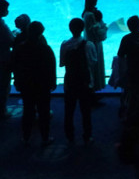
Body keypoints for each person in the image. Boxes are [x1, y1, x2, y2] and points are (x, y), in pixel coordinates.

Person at [12, 20, 56, 146]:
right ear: (41, 33)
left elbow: (15, 66)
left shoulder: (20, 48)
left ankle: (26, 137)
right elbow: (51, 67)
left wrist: (17, 81)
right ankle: (45, 137)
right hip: (43, 85)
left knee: (27, 110)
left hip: (26, 84)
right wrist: (52, 82)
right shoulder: (45, 49)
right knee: (44, 111)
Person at [61, 17, 97, 145]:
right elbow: (93, 62)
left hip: (70, 82)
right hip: (85, 82)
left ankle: (69, 136)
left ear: (70, 29)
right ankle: (87, 136)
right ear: (83, 29)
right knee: (86, 111)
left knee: (69, 111)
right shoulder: (89, 45)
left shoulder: (65, 44)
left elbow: (62, 63)